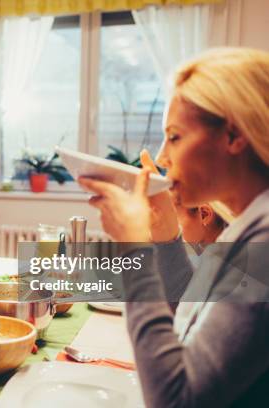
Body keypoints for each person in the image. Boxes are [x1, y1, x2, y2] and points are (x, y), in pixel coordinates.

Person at [78, 47, 269, 407]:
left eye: (175, 137)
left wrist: (134, 247)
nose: (163, 156)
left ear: (233, 136)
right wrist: (166, 235)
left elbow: (174, 398)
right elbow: (196, 311)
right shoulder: (247, 223)